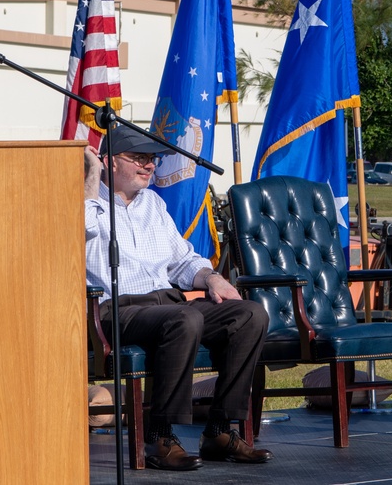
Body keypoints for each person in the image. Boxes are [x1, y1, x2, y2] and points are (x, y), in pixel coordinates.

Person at [83, 128, 274, 471]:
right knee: (184, 319)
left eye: (152, 159)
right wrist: (91, 175)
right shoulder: (86, 202)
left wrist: (212, 278)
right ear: (109, 162)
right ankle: (160, 437)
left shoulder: (153, 204)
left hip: (164, 303)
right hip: (115, 309)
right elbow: (78, 228)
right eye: (138, 158)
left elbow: (183, 260)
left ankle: (219, 431)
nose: (149, 166)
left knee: (249, 314)